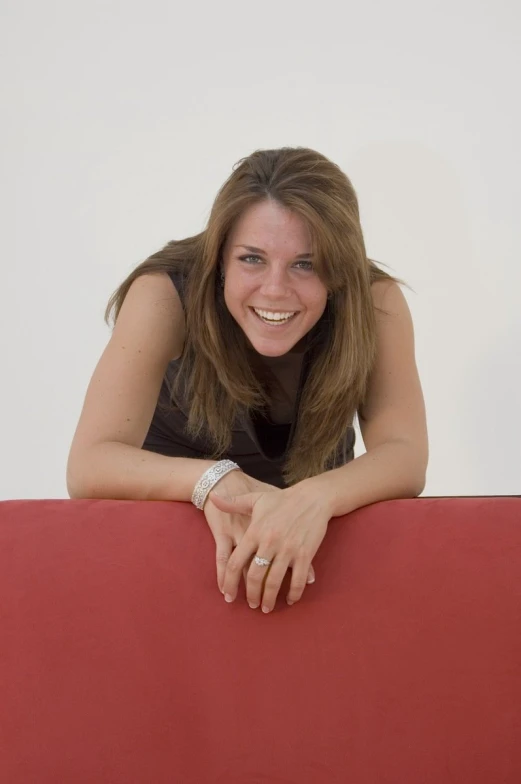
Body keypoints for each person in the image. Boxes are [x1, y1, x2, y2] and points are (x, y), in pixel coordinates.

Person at [66, 146, 428, 614]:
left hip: (310, 550)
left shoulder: (375, 303)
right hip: (169, 544)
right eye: (251, 259)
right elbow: (89, 464)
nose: (274, 289)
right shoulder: (164, 295)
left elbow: (405, 454)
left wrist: (314, 499)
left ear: (339, 272)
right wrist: (214, 480)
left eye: (305, 263)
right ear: (218, 258)